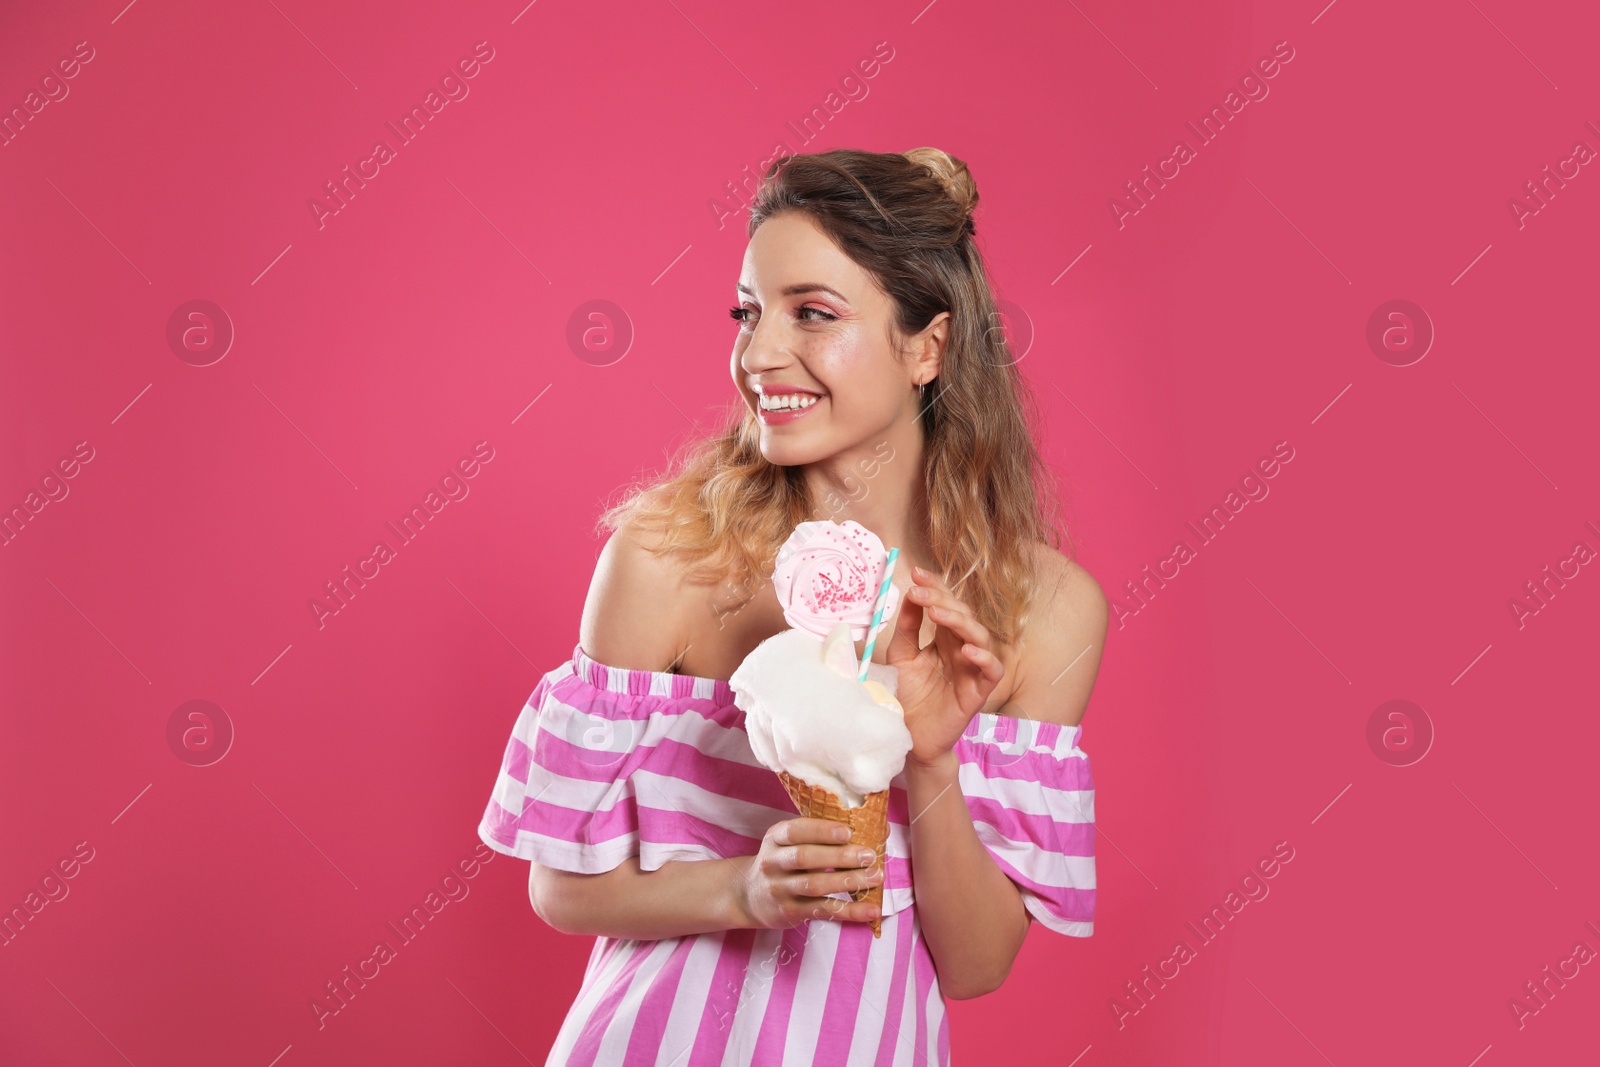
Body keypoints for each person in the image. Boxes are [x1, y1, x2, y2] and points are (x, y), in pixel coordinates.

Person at [477, 146, 1107, 1065]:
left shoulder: (1043, 612)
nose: (758, 353)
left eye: (812, 313)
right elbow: (563, 887)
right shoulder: (665, 560)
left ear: (927, 345)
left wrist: (931, 762)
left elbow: (975, 966)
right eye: (749, 312)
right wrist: (744, 891)